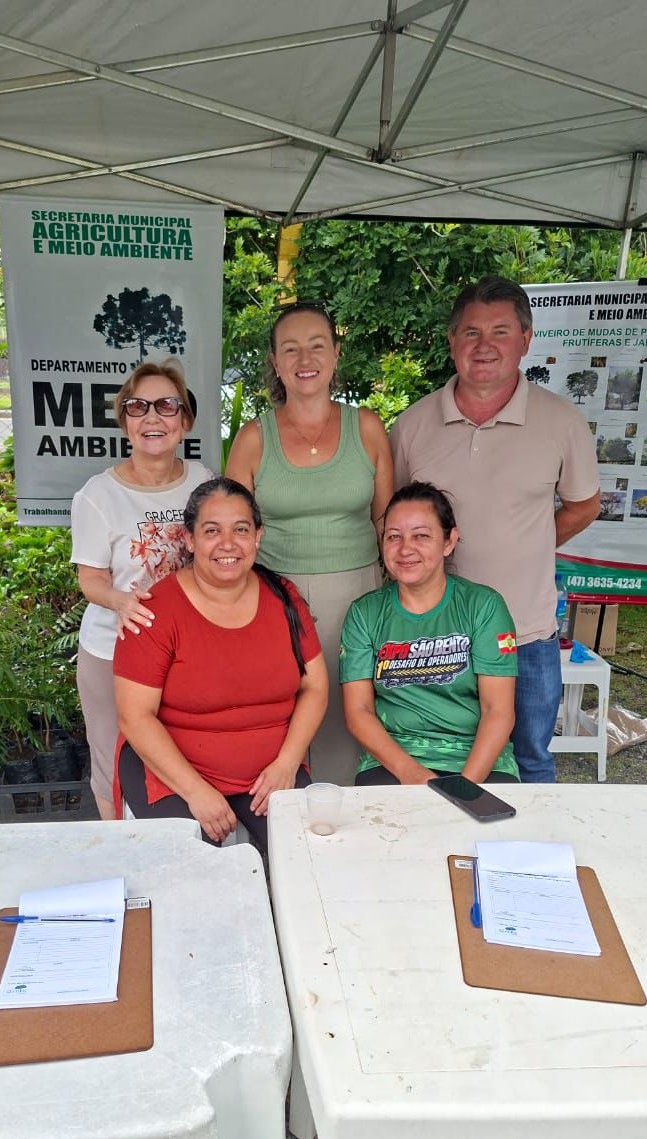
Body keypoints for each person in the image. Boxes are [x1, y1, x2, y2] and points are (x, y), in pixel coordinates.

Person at [389, 276, 600, 783]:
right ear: (451, 341)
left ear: (526, 340)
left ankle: (529, 863)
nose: (484, 346)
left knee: (530, 761)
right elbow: (394, 519)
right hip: (436, 635)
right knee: (441, 759)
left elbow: (583, 506)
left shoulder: (560, 421)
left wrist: (527, 546)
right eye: (470, 332)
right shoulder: (413, 426)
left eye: (500, 332)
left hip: (525, 632)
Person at [226, 301, 392, 786]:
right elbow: (234, 533)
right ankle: (276, 823)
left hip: (359, 598)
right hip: (276, 601)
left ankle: (342, 829)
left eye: (317, 345)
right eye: (291, 348)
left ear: (336, 354)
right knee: (279, 712)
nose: (306, 358)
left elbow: (386, 525)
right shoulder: (254, 439)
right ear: (275, 362)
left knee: (348, 710)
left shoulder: (367, 428)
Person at [114, 477, 328, 852]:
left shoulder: (284, 598)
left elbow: (315, 688)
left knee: (310, 860)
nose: (227, 544)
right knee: (196, 877)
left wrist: (287, 763)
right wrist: (196, 792)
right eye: (212, 530)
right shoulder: (154, 611)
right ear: (190, 539)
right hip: (174, 774)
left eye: (241, 529)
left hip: (269, 773)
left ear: (257, 536)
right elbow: (135, 717)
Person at [70, 359, 212, 819]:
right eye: (138, 407)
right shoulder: (97, 494)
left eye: (167, 405)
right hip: (113, 651)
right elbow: (89, 580)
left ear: (185, 421)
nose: (153, 417)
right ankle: (120, 856)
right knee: (112, 764)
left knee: (182, 761)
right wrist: (122, 601)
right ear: (124, 422)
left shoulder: (204, 482)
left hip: (186, 654)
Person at [341, 483, 519, 786]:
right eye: (393, 536)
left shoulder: (484, 606)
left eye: (421, 536)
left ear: (449, 541)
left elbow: (498, 710)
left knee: (484, 832)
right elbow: (359, 712)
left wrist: (464, 787)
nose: (405, 548)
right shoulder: (365, 613)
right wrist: (414, 776)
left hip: (478, 760)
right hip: (394, 761)